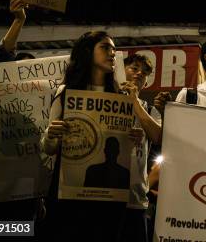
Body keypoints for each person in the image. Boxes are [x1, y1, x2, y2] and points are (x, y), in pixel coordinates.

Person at [40, 31, 144, 241]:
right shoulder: (65, 92)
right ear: (87, 52)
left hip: (111, 200)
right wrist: (51, 135)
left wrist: (135, 137)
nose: (112, 54)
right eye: (105, 48)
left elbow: (128, 147)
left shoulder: (121, 98)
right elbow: (48, 148)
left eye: (114, 50)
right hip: (69, 197)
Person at [118, 53, 162, 242]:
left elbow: (157, 136)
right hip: (103, 196)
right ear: (121, 71)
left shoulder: (150, 110)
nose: (139, 74)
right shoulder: (104, 101)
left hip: (135, 199)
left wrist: (134, 100)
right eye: (134, 68)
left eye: (144, 73)